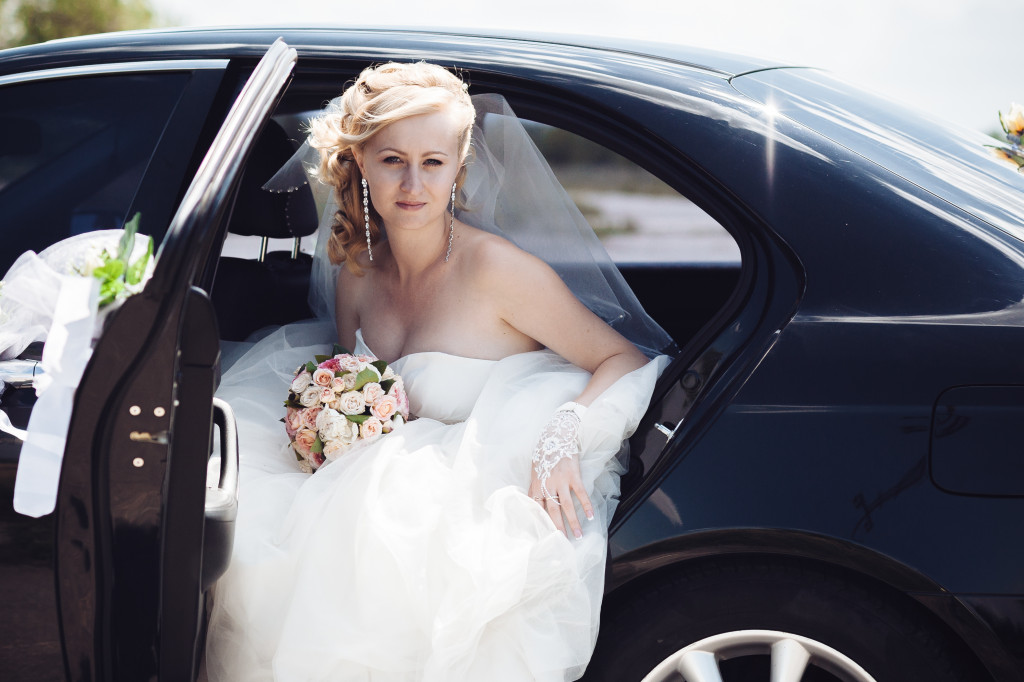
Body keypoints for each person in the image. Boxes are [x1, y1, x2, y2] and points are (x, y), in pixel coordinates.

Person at [204, 61, 671, 681]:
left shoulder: (497, 272)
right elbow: (362, 384)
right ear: (360, 163)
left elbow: (623, 357)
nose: (413, 184)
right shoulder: (358, 276)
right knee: (246, 515)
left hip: (477, 486)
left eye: (434, 162)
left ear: (459, 167)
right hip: (378, 486)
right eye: (392, 159)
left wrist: (563, 435)